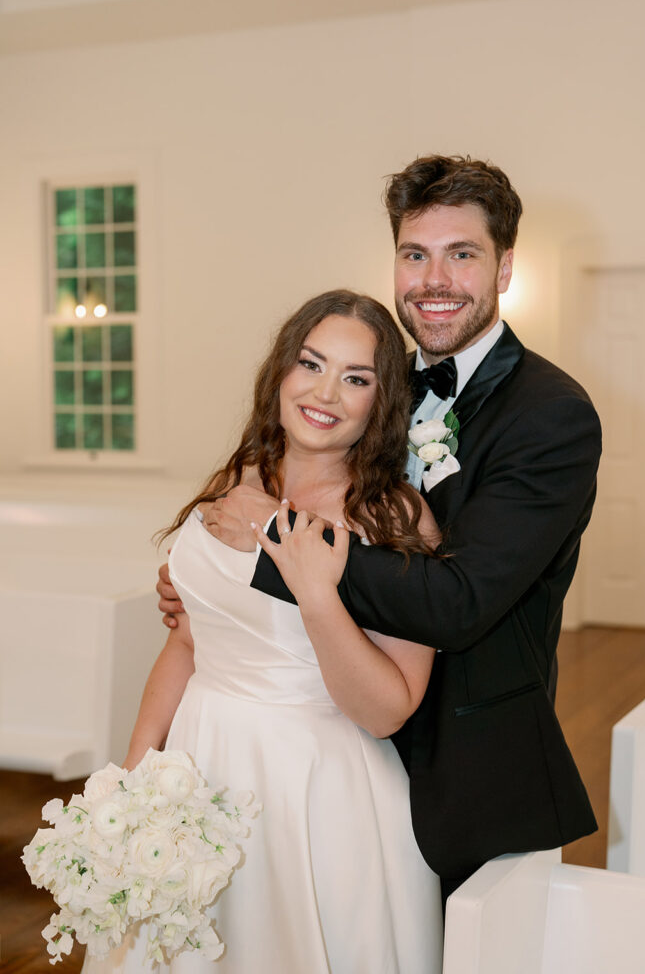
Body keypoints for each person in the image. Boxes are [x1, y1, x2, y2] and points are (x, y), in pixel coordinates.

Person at [158, 154, 602, 903]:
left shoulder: (550, 414)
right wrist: (214, 584)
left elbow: (459, 602)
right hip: (317, 745)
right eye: (414, 255)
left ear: (503, 269)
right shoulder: (364, 381)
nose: (434, 280)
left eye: (462, 255)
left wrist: (273, 545)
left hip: (458, 764)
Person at [84, 291, 443, 973]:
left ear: (381, 402)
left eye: (356, 378)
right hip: (198, 759)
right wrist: (133, 777)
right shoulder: (240, 478)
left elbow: (387, 708)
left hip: (315, 787)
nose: (325, 392)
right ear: (281, 371)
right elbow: (189, 642)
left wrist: (312, 587)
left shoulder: (394, 519)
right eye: (310, 364)